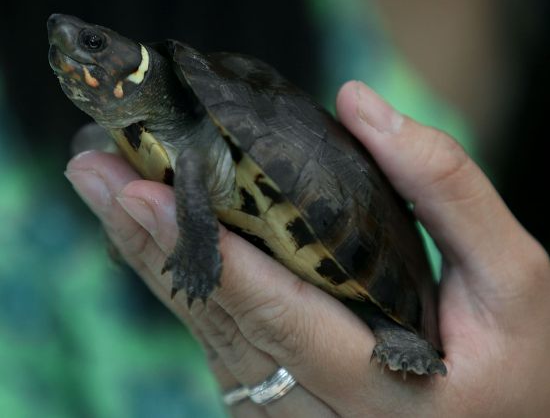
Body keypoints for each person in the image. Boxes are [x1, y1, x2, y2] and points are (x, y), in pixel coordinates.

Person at [65, 80, 550, 417]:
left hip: (354, 244)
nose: (65, 40)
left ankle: (401, 334)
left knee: (370, 314)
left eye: (94, 45)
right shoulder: (115, 136)